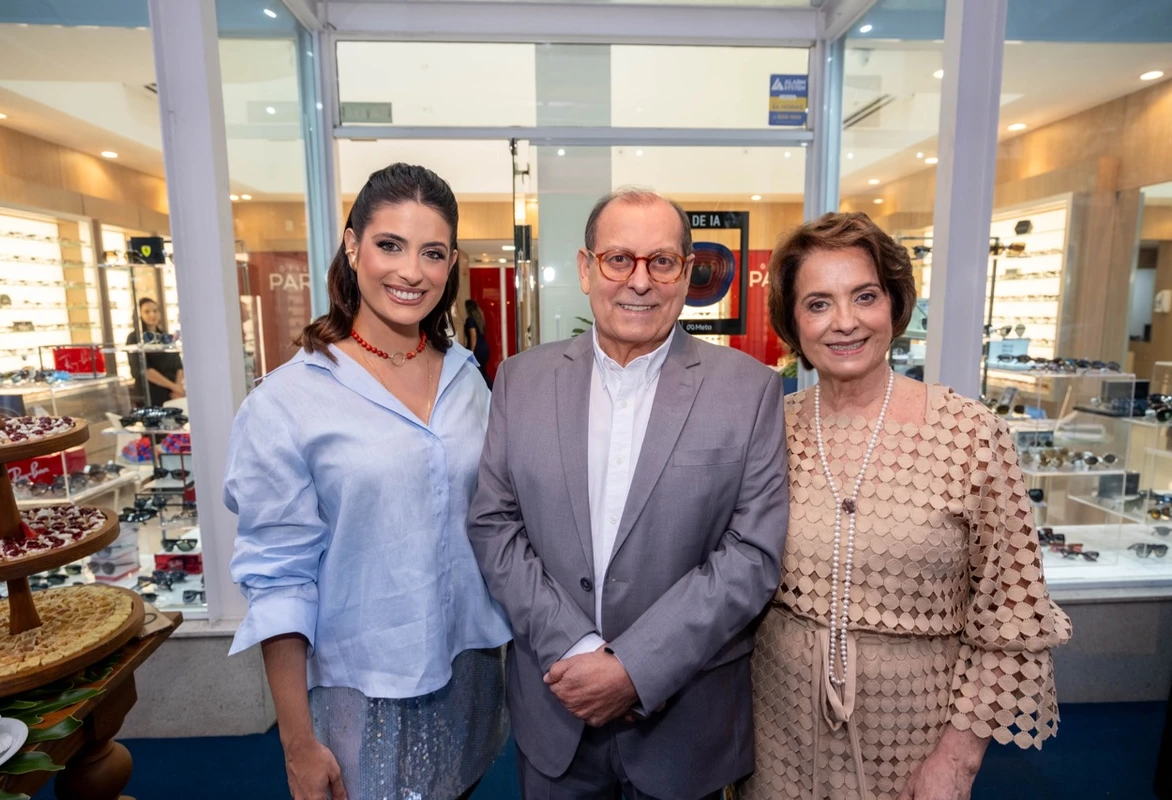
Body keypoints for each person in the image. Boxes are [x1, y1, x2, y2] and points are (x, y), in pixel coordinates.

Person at [467, 188, 790, 800]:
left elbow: (752, 554)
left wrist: (637, 667)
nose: (639, 281)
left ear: (686, 273)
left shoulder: (749, 392)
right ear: (586, 268)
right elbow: (494, 524)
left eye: (661, 261)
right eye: (619, 259)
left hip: (684, 723)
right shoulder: (519, 381)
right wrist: (577, 648)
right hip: (556, 705)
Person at [741, 212, 1072, 800]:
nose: (845, 322)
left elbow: (1012, 613)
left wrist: (958, 762)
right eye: (818, 304)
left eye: (864, 296)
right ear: (793, 323)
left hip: (913, 738)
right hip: (777, 733)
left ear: (894, 305)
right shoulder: (769, 427)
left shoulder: (970, 435)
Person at [225, 163, 512, 800]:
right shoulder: (288, 401)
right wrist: (297, 743)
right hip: (361, 687)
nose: (411, 271)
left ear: (451, 263)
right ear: (353, 246)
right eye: (390, 245)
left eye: (431, 253)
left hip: (469, 666)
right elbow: (279, 578)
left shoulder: (468, 378)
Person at [126, 297, 184, 406]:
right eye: (147, 311)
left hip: (172, 394)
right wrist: (173, 386)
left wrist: (178, 388)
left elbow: (178, 364)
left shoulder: (165, 336)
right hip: (150, 394)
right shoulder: (134, 338)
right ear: (139, 315)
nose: (152, 314)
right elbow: (144, 370)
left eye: (155, 311)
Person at [464, 298, 492, 386]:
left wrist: (471, 351)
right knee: (483, 372)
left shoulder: (470, 320)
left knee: (478, 374)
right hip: (484, 348)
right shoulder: (479, 319)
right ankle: (492, 389)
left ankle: (490, 390)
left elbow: (473, 336)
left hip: (477, 350)